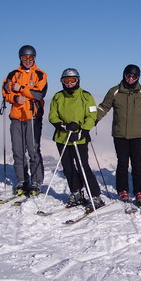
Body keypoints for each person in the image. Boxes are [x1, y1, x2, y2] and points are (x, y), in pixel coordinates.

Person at [96, 64, 141, 207]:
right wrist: (94, 119)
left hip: (136, 134)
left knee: (137, 163)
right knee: (122, 162)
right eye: (128, 76)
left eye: (133, 76)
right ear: (124, 75)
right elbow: (104, 107)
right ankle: (122, 190)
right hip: (120, 134)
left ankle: (139, 191)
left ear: (138, 77)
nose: (130, 79)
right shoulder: (115, 91)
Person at [49, 69, 104, 212]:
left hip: (79, 139)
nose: (69, 84)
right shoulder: (58, 97)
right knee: (68, 167)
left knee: (83, 167)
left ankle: (95, 196)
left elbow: (92, 116)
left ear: (78, 81)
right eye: (66, 81)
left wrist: (83, 130)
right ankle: (76, 193)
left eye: (72, 81)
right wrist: (63, 126)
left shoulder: (86, 96)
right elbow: (53, 116)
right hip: (63, 137)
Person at [1, 45, 48, 196]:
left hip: (32, 117)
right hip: (17, 117)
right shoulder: (13, 74)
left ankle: (36, 182)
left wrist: (21, 88)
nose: (28, 61)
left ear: (34, 58)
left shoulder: (40, 75)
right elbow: (5, 92)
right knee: (18, 151)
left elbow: (39, 94)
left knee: (33, 151)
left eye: (30, 58)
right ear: (20, 58)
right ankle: (22, 181)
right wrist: (15, 98)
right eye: (25, 58)